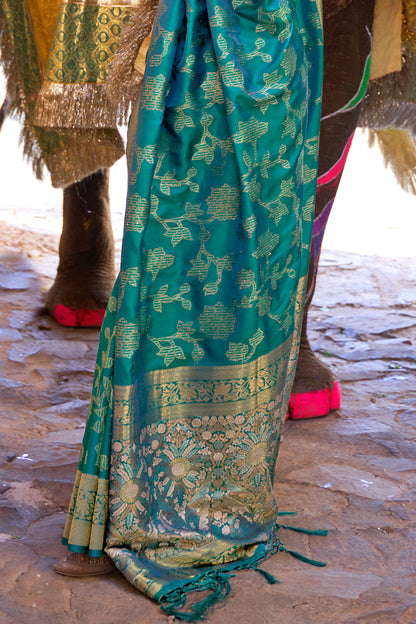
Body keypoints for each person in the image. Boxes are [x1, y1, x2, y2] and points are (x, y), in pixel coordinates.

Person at [54, 0, 325, 619]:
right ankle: (150, 506)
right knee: (170, 272)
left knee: (250, 268)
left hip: (260, 47)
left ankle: (199, 507)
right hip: (219, 46)